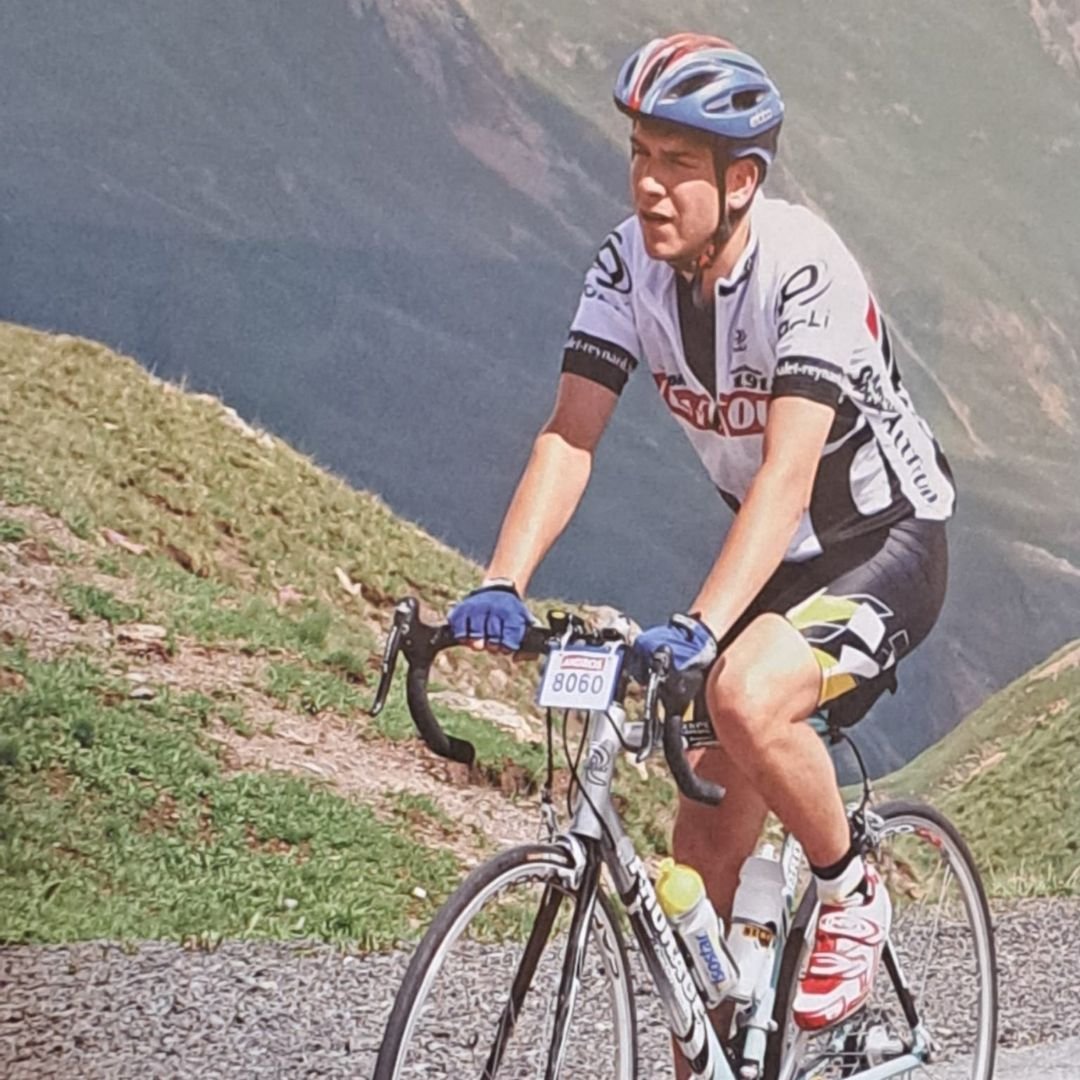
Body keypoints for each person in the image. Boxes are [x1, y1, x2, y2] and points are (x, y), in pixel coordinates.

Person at [447, 32, 954, 1046]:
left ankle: (853, 891)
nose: (649, 185)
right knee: (700, 884)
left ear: (742, 180)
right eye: (640, 154)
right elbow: (570, 434)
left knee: (743, 691)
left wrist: (699, 624)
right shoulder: (624, 264)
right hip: (779, 558)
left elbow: (784, 478)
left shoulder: (804, 268)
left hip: (884, 541)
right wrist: (502, 580)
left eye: (678, 165)